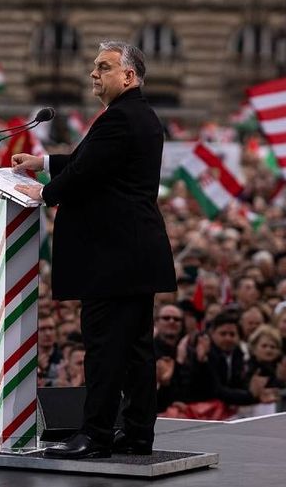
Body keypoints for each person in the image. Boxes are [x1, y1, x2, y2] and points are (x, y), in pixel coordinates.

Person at [13, 41, 176, 459]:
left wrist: (45, 193)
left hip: (113, 258)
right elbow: (95, 161)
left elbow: (88, 170)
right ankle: (138, 433)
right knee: (136, 350)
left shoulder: (120, 118)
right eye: (93, 68)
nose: (93, 74)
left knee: (105, 348)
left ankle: (97, 434)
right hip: (133, 256)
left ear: (128, 75)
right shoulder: (134, 116)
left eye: (103, 67)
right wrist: (44, 162)